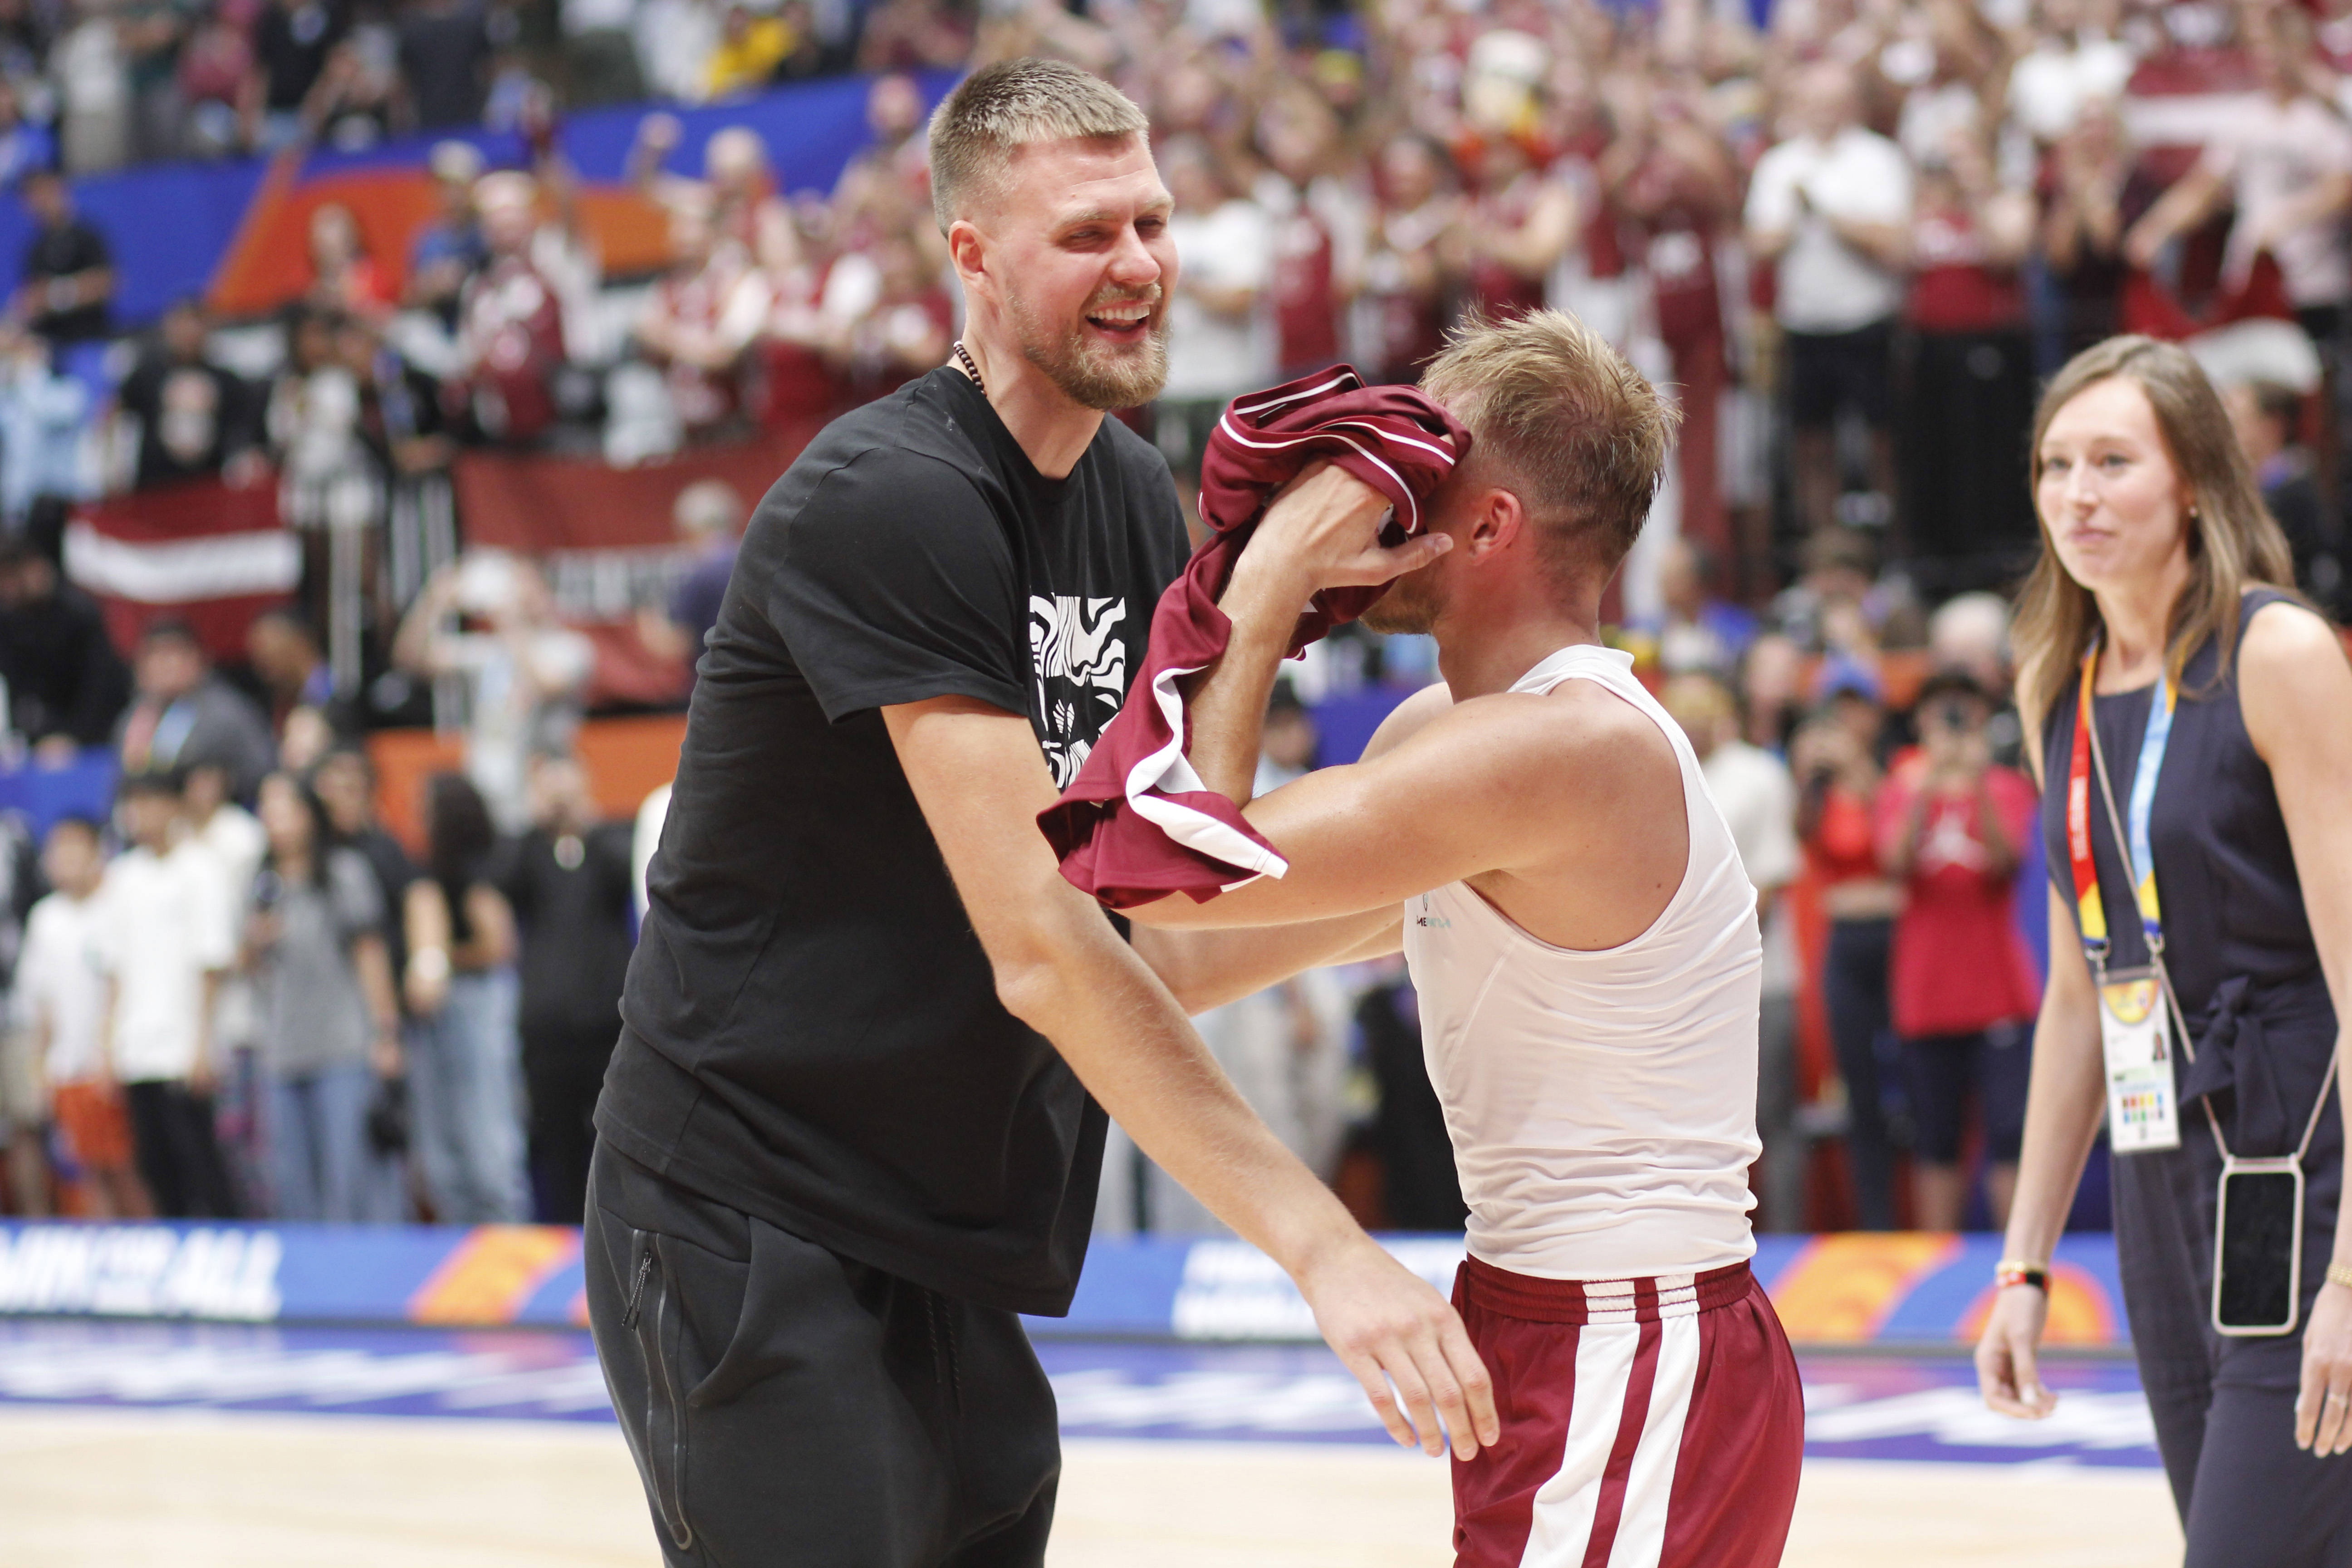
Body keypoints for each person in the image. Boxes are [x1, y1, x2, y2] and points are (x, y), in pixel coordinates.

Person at [588, 59, 1494, 1568]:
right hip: (743, 1200)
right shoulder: (890, 496)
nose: (1138, 263)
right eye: (1086, 233)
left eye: (1151, 220)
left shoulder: (1134, 500)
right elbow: (1048, 946)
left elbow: (1165, 913)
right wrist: (1323, 1246)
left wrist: (1445, 883)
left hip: (940, 1222)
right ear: (973, 258)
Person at [1122, 308, 1802, 1566]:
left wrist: (1269, 577)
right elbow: (1179, 962)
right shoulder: (1448, 738)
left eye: (1420, 465)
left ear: (1489, 529)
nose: (1379, 484)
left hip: (1629, 1335)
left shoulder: (1564, 749)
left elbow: (1181, 877)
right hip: (1545, 1319)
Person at [1977, 335, 2352, 1564]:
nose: (2076, 494)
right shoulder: (2057, 687)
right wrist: (2024, 1268)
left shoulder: (2279, 653)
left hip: (2308, 1162)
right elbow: (2079, 1006)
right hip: (2159, 1173)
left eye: (2113, 462)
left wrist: (2351, 1282)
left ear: (2194, 479)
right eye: (2055, 464)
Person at [1874, 669, 2039, 1232]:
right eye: (1940, 712)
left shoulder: (2007, 787)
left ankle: (2017, 1264)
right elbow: (1894, 863)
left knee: (2009, 1136)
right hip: (1927, 994)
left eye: (1963, 713)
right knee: (1934, 1138)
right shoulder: (1900, 788)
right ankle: (1936, 1267)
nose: (1950, 724)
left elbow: (2005, 861)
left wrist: (1975, 785)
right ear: (1920, 723)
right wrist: (1926, 786)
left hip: (1997, 992)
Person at [1663, 670, 1805, 1232]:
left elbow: (1768, 883)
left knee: (1773, 1116)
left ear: (1723, 712)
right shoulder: (1663, 771)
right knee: (1689, 1124)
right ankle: (1702, 1237)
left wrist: (1701, 947)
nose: (1693, 719)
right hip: (1678, 981)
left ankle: (1788, 1238)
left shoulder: (1759, 774)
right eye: (1682, 707)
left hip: (1762, 976)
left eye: (1704, 707)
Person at [1743, 62, 1911, 536]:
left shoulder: (1878, 160)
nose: (1823, 112)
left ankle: (1891, 544)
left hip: (1866, 319)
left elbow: (1895, 245)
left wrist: (1827, 212)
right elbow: (1759, 243)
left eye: (1833, 102)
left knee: (1882, 440)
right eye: (1814, 102)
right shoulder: (1779, 164)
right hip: (1804, 323)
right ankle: (1823, 548)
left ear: (1853, 105)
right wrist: (1795, 220)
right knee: (1810, 443)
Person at [245, 769, 400, 1221]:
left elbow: (370, 956)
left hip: (342, 1047)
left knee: (348, 1177)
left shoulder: (343, 874)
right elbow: (250, 969)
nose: (274, 820)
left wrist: (385, 1034)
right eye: (266, 809)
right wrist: (255, 942)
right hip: (281, 1051)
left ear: (310, 815)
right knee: (291, 1182)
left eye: (284, 808)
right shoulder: (260, 884)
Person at [98, 769, 240, 1219]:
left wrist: (202, 1045)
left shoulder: (202, 869)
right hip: (137, 1044)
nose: (143, 815)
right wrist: (107, 1045)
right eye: (135, 805)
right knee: (154, 1164)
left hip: (184, 1044)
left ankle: (224, 1244)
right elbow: (114, 969)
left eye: (153, 802)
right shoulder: (121, 877)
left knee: (201, 1159)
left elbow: (212, 964)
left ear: (177, 806)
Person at [500, 751, 632, 1225]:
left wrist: (585, 821)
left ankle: (613, 1232)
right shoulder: (529, 851)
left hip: (605, 1022)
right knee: (553, 1141)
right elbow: (505, 882)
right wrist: (535, 823)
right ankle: (558, 1237)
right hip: (547, 1027)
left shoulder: (609, 841)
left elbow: (626, 878)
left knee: (614, 1137)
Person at [403, 771, 527, 1224]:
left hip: (476, 1002)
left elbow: (498, 947)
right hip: (440, 1012)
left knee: (487, 1134)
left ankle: (510, 1250)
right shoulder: (428, 869)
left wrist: (440, 962)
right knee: (442, 1150)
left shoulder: (476, 870)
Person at [18, 815, 148, 1219]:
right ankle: (105, 1254)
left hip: (110, 1064)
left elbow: (122, 986)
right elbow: (42, 1000)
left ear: (98, 855)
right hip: (67, 1066)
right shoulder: (45, 918)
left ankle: (149, 1244)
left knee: (127, 1168)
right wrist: (41, 1066)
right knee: (88, 1171)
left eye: (77, 849)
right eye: (59, 851)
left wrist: (110, 1053)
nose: (66, 859)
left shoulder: (114, 909)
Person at [113, 621, 277, 803]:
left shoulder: (226, 712)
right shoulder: (135, 716)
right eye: (153, 655)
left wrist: (225, 784)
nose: (163, 665)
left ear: (197, 659)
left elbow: (262, 771)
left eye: (172, 654)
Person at [0, 535, 128, 762]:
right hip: (35, 743)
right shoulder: (10, 620)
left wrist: (74, 737)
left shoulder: (80, 614)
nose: (6, 588)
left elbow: (100, 688)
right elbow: (18, 690)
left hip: (91, 741)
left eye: (10, 576)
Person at [114, 297, 264, 491]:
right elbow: (116, 415)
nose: (189, 335)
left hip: (209, 487)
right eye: (182, 325)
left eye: (196, 325)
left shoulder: (226, 381)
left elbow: (248, 432)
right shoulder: (146, 376)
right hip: (154, 488)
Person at [13, 168, 113, 345]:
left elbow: (105, 284)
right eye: (34, 195)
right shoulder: (35, 250)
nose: (41, 201)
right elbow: (33, 298)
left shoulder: (87, 236)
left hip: (90, 340)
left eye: (45, 192)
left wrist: (54, 296)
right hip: (50, 344)